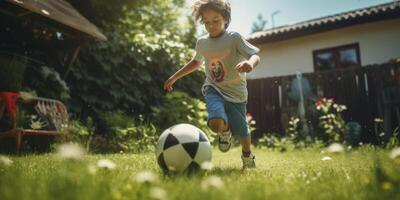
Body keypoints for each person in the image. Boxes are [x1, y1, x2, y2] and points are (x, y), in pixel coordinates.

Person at [163, 0, 260, 169]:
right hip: (213, 88)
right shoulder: (202, 43)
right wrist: (174, 77)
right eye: (206, 22)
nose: (211, 25)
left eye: (215, 20)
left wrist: (250, 64)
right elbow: (196, 62)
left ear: (225, 19)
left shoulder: (233, 38)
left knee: (242, 130)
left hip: (237, 93)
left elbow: (255, 55)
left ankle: (247, 154)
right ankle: (224, 130)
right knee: (215, 122)